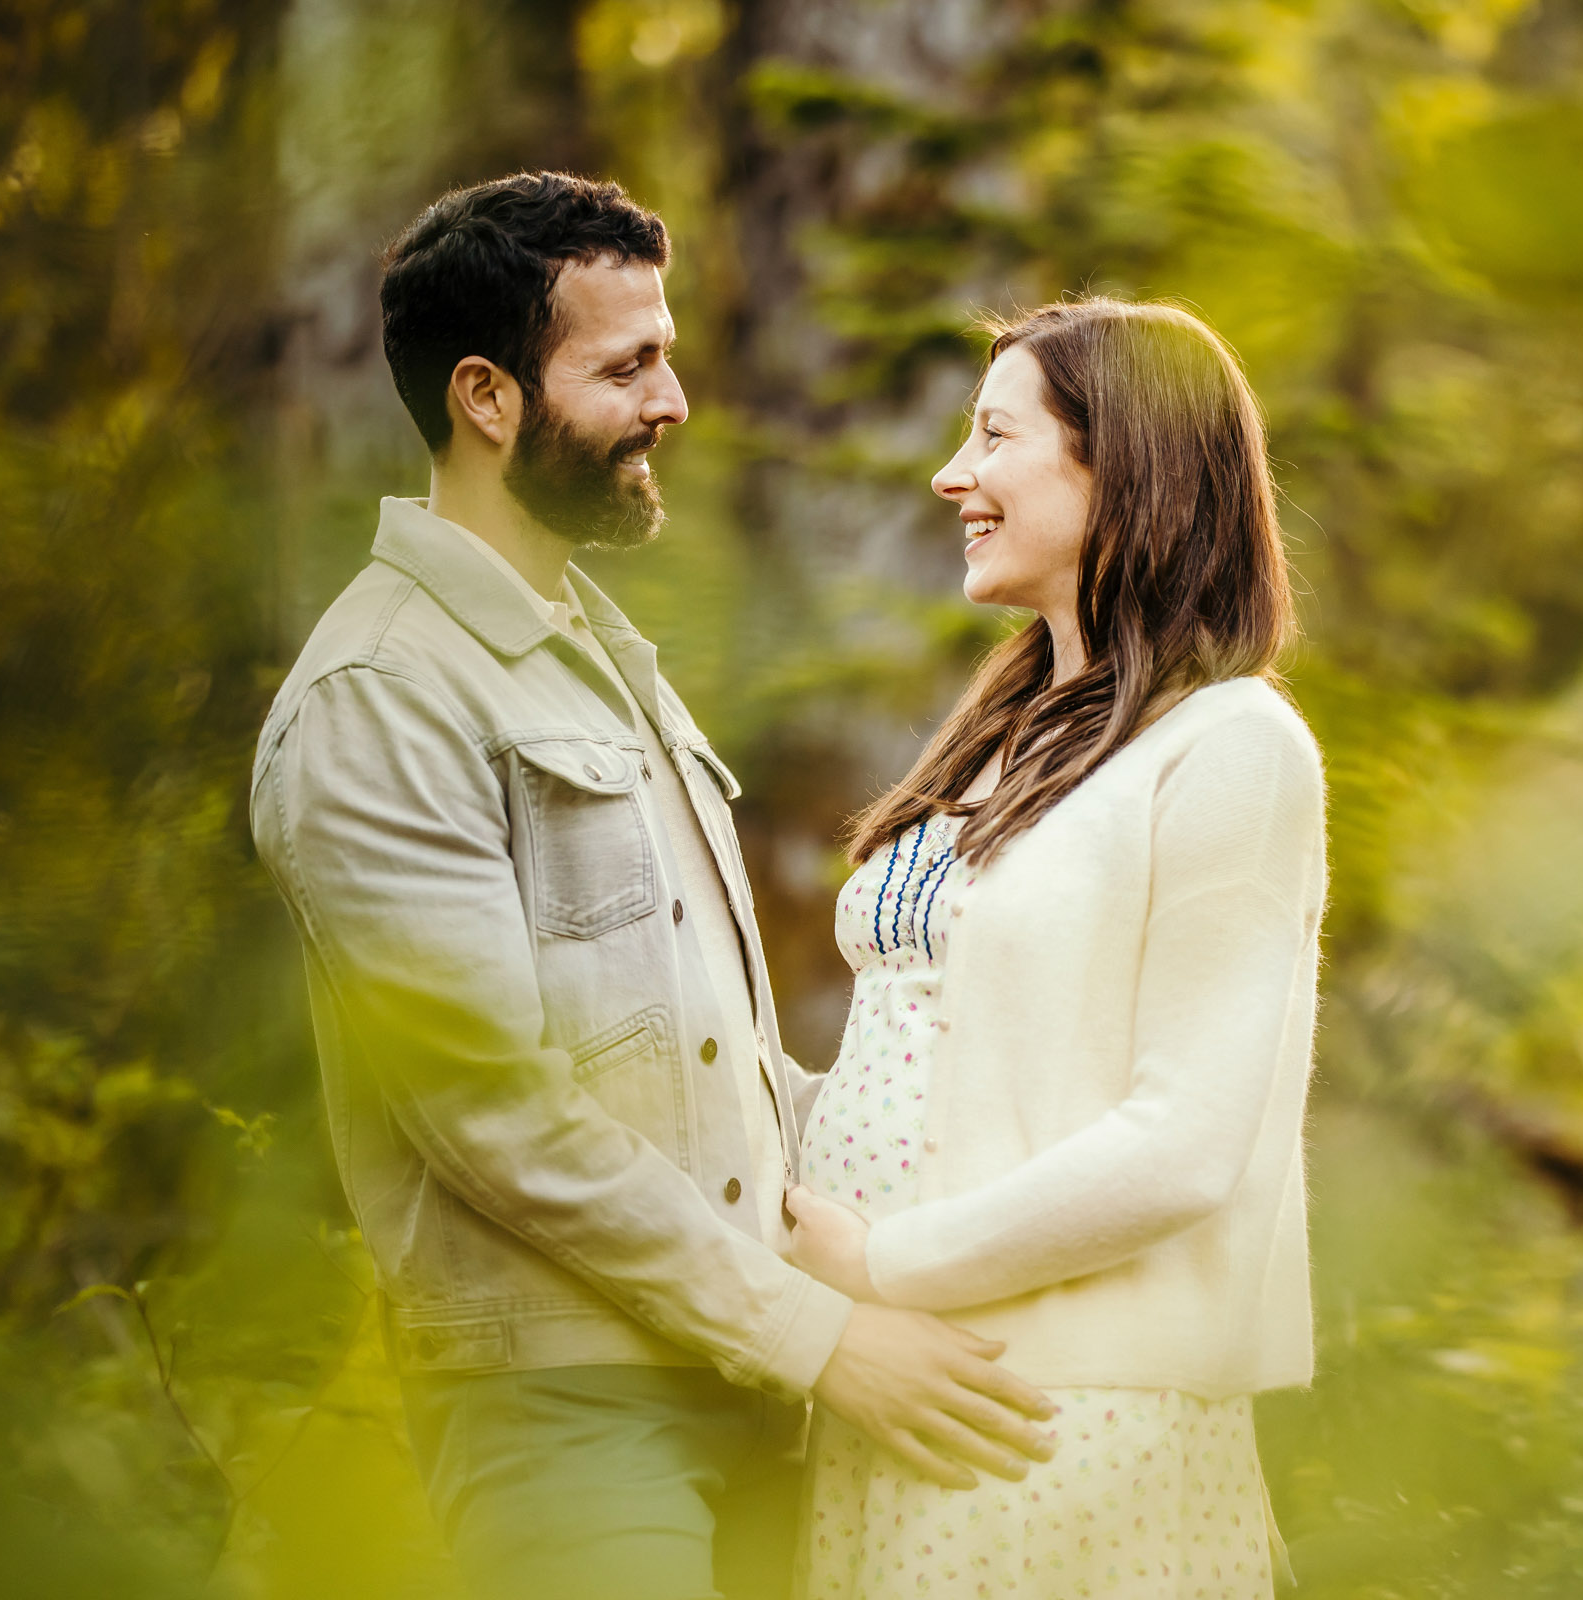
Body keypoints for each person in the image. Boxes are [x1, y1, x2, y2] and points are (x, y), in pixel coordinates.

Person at [248, 171, 1054, 1600]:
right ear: (487, 398)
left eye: (665, 354)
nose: (673, 401)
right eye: (626, 368)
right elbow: (490, 1115)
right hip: (570, 1415)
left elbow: (720, 1066)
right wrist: (820, 1339)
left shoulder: (600, 656)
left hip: (744, 1379)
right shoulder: (381, 700)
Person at [783, 298, 1328, 1598]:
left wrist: (885, 1264)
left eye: (992, 436)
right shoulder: (1016, 732)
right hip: (893, 1391)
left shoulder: (1232, 748)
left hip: (1062, 1415)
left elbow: (1184, 1141)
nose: (950, 476)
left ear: (1121, 461)